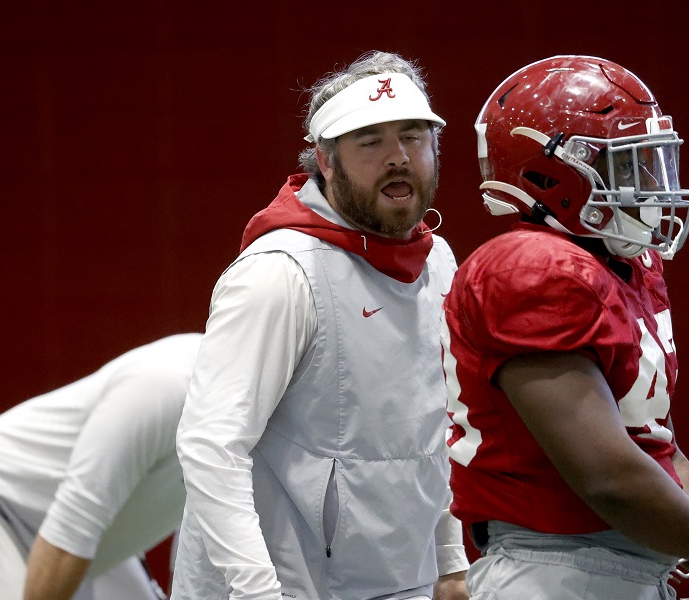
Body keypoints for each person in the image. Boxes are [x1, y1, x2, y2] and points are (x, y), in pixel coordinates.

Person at [441, 55, 689, 600]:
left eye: (652, 162)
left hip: (630, 564)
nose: (651, 184)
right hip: (555, 570)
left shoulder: (628, 265)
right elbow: (607, 477)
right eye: (627, 166)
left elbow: (659, 448)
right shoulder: (531, 268)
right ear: (550, 172)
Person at [170, 50, 469, 600]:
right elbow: (212, 445)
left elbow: (435, 428)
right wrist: (258, 592)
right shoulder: (279, 272)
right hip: (281, 587)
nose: (398, 157)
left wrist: (449, 562)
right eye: (370, 141)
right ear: (326, 162)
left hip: (401, 579)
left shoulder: (440, 262)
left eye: (413, 136)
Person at [0, 333, 203, 600]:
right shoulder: (164, 383)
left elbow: (202, 555)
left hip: (88, 542)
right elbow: (71, 527)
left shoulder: (240, 417)